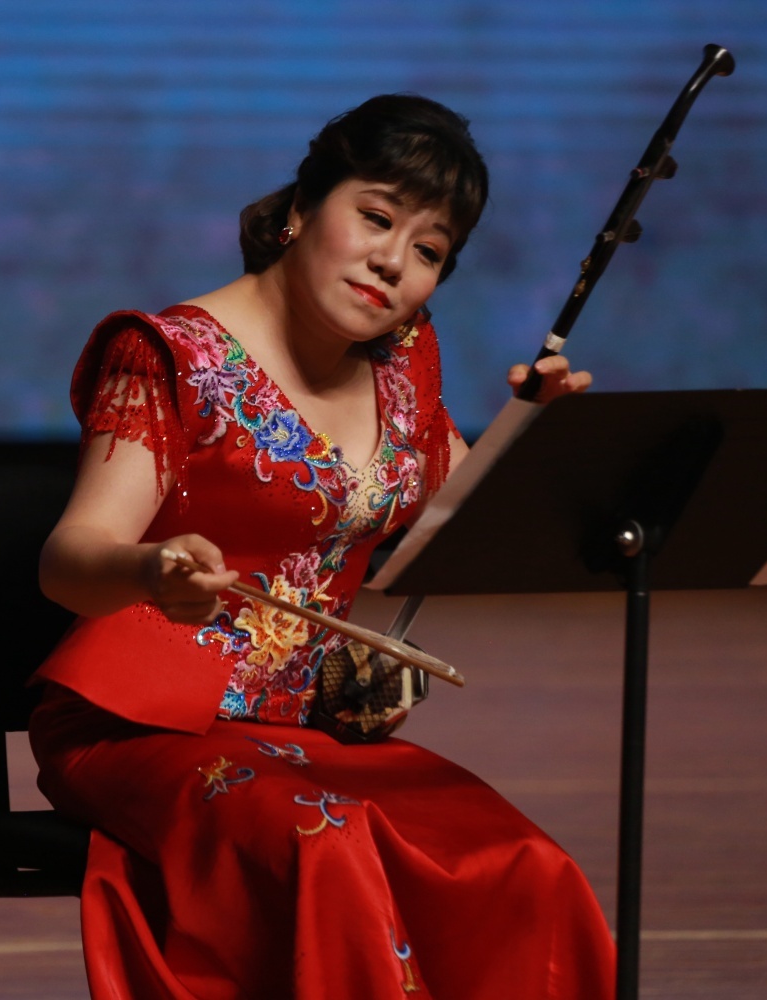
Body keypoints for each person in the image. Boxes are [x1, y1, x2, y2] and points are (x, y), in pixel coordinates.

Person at [31, 94, 613, 999]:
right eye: (376, 218)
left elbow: (465, 526)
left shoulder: (401, 361)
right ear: (301, 209)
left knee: (520, 860)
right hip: (142, 724)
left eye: (429, 250)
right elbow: (69, 558)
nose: (393, 262)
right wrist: (148, 568)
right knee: (325, 841)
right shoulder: (172, 355)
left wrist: (531, 435)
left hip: (305, 730)